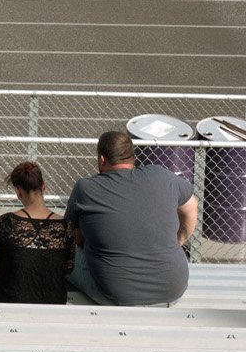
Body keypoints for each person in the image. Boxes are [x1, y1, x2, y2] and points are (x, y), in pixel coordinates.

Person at [65, 129, 197, 308]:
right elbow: (191, 206)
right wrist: (180, 238)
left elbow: (76, 240)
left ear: (102, 159)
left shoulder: (85, 188)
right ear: (131, 157)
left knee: (64, 251)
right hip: (172, 290)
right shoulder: (161, 175)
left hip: (117, 295)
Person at [0, 160, 73, 304]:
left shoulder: (6, 222)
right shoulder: (66, 226)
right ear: (44, 187)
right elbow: (68, 269)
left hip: (12, 299)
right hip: (54, 299)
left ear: (18, 192)